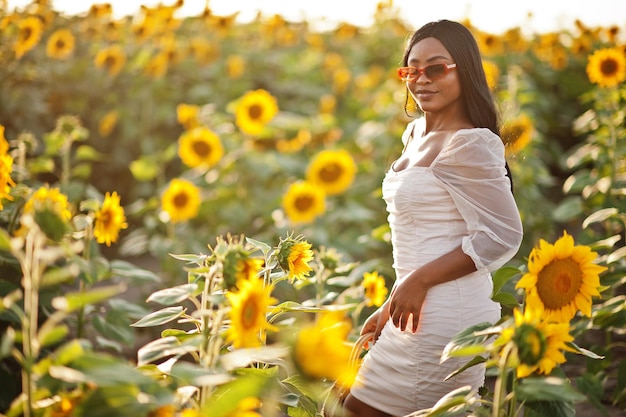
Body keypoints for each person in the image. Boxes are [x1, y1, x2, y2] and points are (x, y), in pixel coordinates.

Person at [343, 20, 523, 417]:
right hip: (413, 310)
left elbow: (502, 235)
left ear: (465, 69)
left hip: (447, 315)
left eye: (436, 68)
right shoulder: (416, 133)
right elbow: (421, 237)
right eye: (411, 69)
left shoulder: (469, 142)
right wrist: (392, 303)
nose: (420, 79)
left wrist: (417, 281)